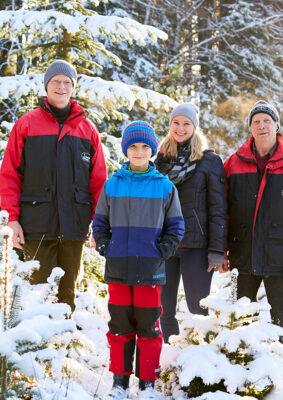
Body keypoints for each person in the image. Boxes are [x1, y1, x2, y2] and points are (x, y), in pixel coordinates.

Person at [0, 60, 107, 313]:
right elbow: (10, 174)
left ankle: (64, 345)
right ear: (47, 86)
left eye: (67, 82)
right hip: (36, 224)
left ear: (73, 87)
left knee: (67, 293)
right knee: (37, 293)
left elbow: (98, 181)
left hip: (74, 225)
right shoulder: (26, 124)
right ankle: (37, 348)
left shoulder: (86, 129)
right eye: (56, 81)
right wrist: (12, 219)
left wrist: (99, 223)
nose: (61, 87)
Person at [93, 121, 184, 399]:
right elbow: (100, 223)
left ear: (153, 150)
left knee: (148, 327)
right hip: (119, 268)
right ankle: (119, 383)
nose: (139, 151)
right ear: (125, 150)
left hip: (150, 270)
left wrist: (163, 250)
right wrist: (107, 245)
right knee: (119, 326)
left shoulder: (164, 187)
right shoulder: (112, 185)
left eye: (145, 146)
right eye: (133, 146)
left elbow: (176, 226)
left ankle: (147, 384)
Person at [220, 100, 283, 350]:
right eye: (256, 122)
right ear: (251, 128)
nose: (261, 125)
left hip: (281, 258)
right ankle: (238, 375)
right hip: (242, 256)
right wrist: (220, 249)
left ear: (276, 125)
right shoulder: (234, 163)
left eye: (267, 121)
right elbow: (222, 212)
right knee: (240, 323)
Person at [155, 103, 227, 343]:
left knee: (199, 308)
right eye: (176, 122)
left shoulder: (209, 160)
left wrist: (217, 249)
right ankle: (169, 357)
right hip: (165, 244)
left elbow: (218, 207)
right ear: (170, 125)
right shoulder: (161, 159)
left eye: (186, 123)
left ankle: (202, 361)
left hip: (196, 245)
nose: (180, 128)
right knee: (164, 309)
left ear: (195, 127)